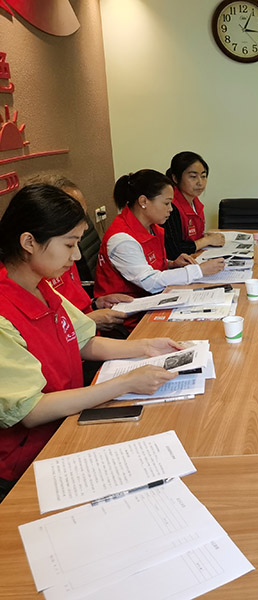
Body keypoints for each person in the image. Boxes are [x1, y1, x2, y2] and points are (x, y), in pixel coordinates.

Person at [0, 184, 183, 497]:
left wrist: (146, 347)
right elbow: (31, 411)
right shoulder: (5, 311)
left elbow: (83, 341)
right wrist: (125, 383)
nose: (75, 256)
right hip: (27, 461)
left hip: (67, 423)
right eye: (69, 244)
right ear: (29, 242)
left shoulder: (41, 285)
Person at [25, 175, 133, 334]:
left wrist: (96, 303)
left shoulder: (62, 253)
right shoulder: (33, 275)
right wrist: (89, 320)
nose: (85, 224)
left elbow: (73, 302)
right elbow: (49, 334)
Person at [94, 169, 225, 300]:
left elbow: (145, 263)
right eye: (166, 203)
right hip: (126, 308)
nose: (170, 209)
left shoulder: (151, 227)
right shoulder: (122, 240)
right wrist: (199, 271)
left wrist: (171, 264)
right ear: (143, 201)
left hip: (150, 298)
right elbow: (150, 282)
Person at [163, 151, 225, 260]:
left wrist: (206, 238)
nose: (200, 182)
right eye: (193, 177)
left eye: (203, 176)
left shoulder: (195, 201)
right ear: (176, 178)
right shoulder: (170, 206)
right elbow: (174, 250)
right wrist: (207, 240)